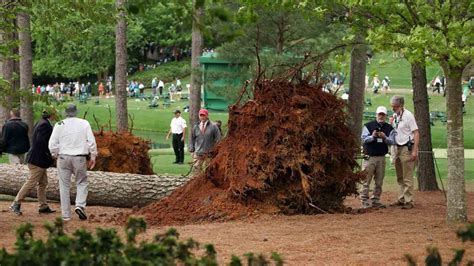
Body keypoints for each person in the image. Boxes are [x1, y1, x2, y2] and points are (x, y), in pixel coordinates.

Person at [48, 104, 97, 221]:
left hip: (63, 157)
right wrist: (93, 156)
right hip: (79, 157)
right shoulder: (84, 123)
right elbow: (91, 141)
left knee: (64, 185)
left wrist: (55, 154)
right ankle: (80, 205)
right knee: (82, 182)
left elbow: (52, 143)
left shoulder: (59, 124)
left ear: (66, 113)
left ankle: (66, 215)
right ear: (76, 112)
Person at [10, 109, 57, 215]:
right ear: (52, 115)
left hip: (37, 158)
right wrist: (49, 155)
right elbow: (41, 142)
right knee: (31, 182)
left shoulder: (41, 122)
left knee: (43, 183)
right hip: (38, 159)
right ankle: (16, 203)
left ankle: (43, 206)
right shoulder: (45, 125)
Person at [360, 106, 395, 208]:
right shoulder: (368, 126)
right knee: (366, 180)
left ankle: (376, 199)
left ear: (385, 116)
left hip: (381, 157)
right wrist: (373, 136)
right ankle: (364, 199)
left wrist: (384, 137)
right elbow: (363, 139)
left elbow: (392, 141)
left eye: (383, 115)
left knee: (379, 180)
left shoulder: (389, 128)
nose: (381, 116)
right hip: (369, 157)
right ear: (376, 115)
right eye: (379, 114)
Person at [389, 95, 419, 209]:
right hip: (397, 147)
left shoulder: (408, 116)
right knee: (399, 176)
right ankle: (401, 198)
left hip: (407, 147)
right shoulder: (395, 115)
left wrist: (414, 150)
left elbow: (416, 133)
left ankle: (409, 200)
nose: (393, 109)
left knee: (407, 176)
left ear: (401, 105)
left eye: (395, 106)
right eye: (392, 106)